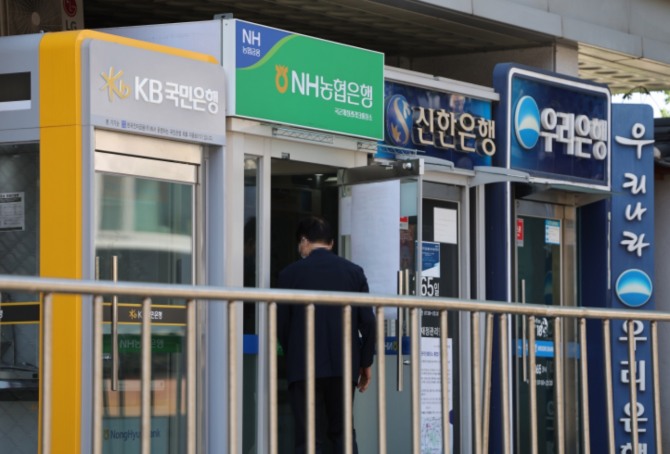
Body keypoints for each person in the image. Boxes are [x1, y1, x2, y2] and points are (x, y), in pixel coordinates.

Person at [277, 216, 376, 454]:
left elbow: (281, 325)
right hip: (344, 366)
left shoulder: (289, 274)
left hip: (304, 367)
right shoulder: (354, 273)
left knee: (310, 438)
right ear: (331, 243)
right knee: (343, 433)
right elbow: (368, 322)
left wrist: (293, 354)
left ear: (304, 241)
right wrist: (365, 362)